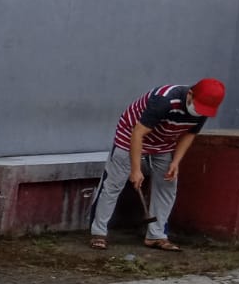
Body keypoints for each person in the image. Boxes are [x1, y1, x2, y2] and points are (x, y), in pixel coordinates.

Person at [89, 78, 225, 251]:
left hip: (164, 141)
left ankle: (156, 235)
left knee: (168, 184)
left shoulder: (205, 108)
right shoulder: (164, 100)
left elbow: (189, 134)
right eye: (197, 107)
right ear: (190, 94)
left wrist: (176, 162)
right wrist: (136, 170)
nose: (199, 112)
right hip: (131, 135)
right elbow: (138, 134)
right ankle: (98, 233)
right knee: (113, 184)